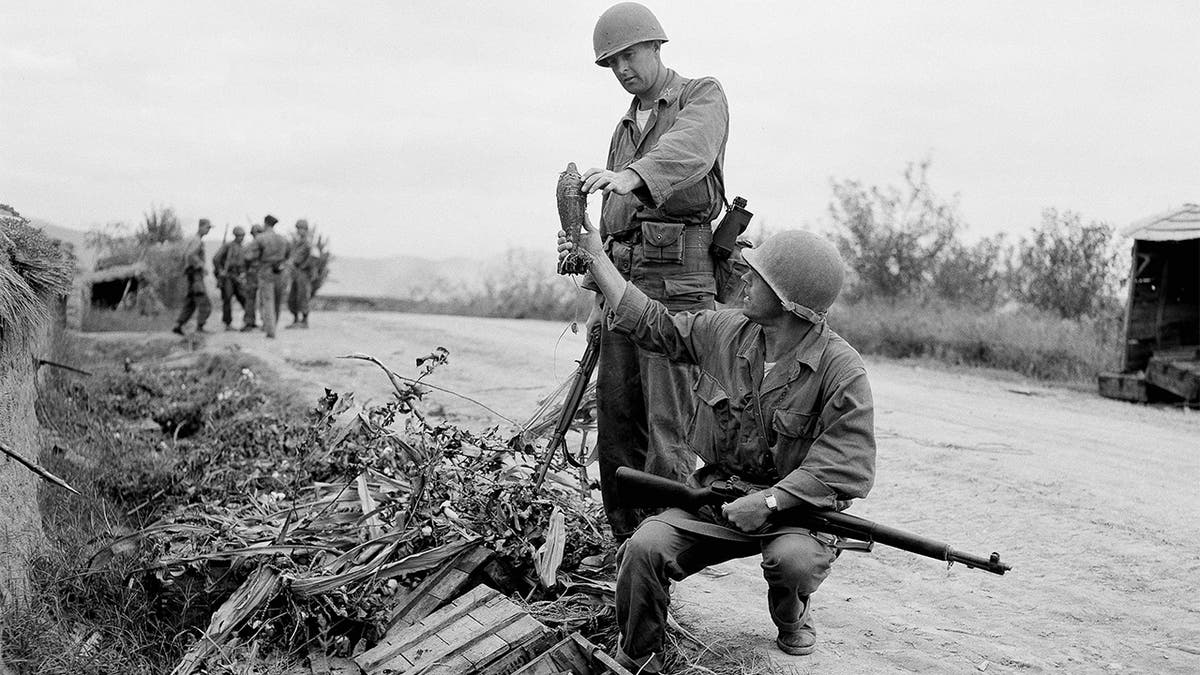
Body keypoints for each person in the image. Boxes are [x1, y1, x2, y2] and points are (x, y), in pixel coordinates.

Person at [559, 220, 876, 671]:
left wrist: (769, 501)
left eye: (757, 276)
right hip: (719, 495)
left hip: (795, 512)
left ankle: (791, 615)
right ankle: (637, 656)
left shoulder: (841, 369)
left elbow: (848, 465)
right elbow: (654, 324)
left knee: (793, 563)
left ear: (787, 302)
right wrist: (597, 258)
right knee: (643, 549)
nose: (744, 279)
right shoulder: (726, 331)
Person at [582, 1, 732, 541]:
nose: (622, 69)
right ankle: (627, 543)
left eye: (628, 55)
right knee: (618, 422)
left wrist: (634, 176)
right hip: (621, 284)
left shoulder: (701, 94)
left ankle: (665, 547)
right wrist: (590, 261)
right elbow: (612, 216)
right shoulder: (623, 126)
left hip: (677, 284)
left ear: (656, 46)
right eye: (611, 63)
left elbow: (689, 151)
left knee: (669, 427)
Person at [243, 215, 290, 338]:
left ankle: (270, 330)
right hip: (280, 271)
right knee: (278, 300)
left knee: (268, 300)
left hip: (266, 271)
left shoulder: (260, 238)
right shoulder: (282, 239)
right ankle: (274, 325)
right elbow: (288, 254)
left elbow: (248, 255)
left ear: (265, 224)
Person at [172, 218, 213, 335]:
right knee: (205, 303)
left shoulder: (194, 239)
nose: (208, 230)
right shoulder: (197, 240)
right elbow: (190, 255)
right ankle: (200, 327)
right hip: (195, 276)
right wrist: (201, 266)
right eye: (207, 227)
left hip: (192, 276)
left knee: (190, 303)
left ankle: (178, 325)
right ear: (201, 227)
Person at [212, 226, 252, 331]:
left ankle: (249, 321)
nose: (241, 238)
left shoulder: (243, 248)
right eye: (239, 235)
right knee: (227, 298)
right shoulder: (228, 246)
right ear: (235, 236)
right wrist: (220, 270)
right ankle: (227, 323)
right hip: (228, 276)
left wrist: (243, 274)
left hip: (238, 276)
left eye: (243, 236)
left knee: (244, 297)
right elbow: (216, 259)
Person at [286, 219, 314, 329]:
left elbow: (313, 257)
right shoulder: (298, 242)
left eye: (301, 229)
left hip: (303, 273)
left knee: (302, 296)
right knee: (293, 297)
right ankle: (296, 319)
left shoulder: (308, 243)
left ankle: (304, 320)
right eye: (298, 228)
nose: (299, 231)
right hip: (296, 273)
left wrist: (304, 267)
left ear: (306, 230)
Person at [240, 223, 263, 332]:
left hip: (259, 274)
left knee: (257, 299)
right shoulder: (252, 245)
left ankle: (258, 322)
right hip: (254, 274)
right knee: (250, 299)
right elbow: (246, 259)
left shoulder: (254, 245)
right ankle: (250, 322)